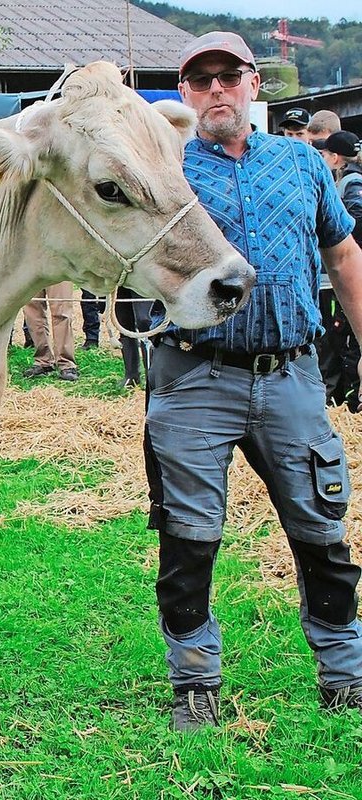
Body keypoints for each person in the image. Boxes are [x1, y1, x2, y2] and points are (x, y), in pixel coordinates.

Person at [147, 31, 362, 732]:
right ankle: (195, 686)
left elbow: (341, 253)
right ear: (184, 94)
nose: (216, 90)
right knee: (188, 537)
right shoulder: (165, 171)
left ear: (253, 85)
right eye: (200, 79)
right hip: (193, 376)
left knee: (321, 530)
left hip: (291, 375)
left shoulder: (302, 164)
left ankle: (344, 675)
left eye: (228, 76)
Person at [312, 131, 362, 409]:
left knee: (336, 341)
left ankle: (348, 400)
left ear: (334, 157)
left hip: (337, 279)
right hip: (342, 275)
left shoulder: (350, 183)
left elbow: (355, 221)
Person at [21, 282, 79, 381]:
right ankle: (43, 360)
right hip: (30, 267)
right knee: (32, 311)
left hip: (59, 268)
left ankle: (66, 363)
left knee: (61, 311)